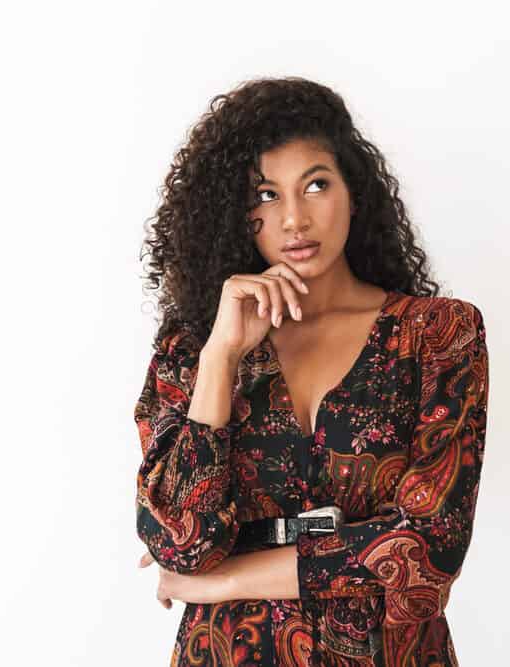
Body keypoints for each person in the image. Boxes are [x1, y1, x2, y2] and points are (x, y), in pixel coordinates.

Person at [133, 76, 490, 667]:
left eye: (315, 185)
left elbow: (431, 548)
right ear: (233, 212)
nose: (294, 219)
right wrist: (221, 357)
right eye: (266, 195)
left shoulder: (437, 335)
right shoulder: (192, 350)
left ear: (355, 192)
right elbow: (180, 541)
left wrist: (227, 581)